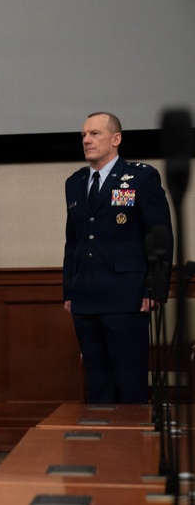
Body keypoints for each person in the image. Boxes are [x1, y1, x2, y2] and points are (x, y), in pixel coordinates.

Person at [63, 112, 173, 404]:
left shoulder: (140, 177)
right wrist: (69, 290)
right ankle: (101, 449)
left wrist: (155, 289)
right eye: (84, 135)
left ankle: (133, 447)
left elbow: (159, 236)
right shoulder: (74, 183)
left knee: (129, 381)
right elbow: (73, 242)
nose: (86, 140)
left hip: (127, 295)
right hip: (85, 296)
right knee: (97, 383)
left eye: (95, 134)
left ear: (116, 139)